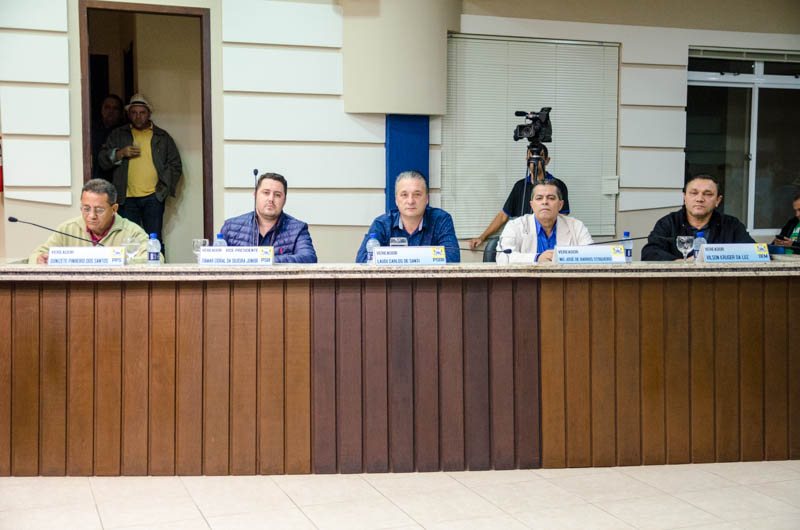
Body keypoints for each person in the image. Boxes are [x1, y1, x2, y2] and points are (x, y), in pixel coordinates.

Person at [98, 93, 182, 253]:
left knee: (154, 241)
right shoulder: (118, 134)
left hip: (153, 198)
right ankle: (132, 270)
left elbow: (175, 164)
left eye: (142, 112)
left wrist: (163, 190)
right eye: (134, 112)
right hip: (126, 198)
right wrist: (119, 154)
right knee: (128, 241)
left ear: (149, 114)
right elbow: (102, 159)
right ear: (128, 114)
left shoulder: (162, 136)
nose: (138, 116)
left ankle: (159, 269)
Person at [28, 179, 155, 264]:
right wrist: (39, 260)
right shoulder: (67, 229)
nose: (92, 216)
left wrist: (122, 261)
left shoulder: (131, 231)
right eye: (86, 209)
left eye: (99, 210)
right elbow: (36, 255)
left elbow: (155, 258)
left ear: (114, 209)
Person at [469, 144, 569, 250]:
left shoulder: (557, 186)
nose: (534, 162)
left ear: (547, 160)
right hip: (523, 240)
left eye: (539, 158)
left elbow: (562, 217)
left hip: (548, 241)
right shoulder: (520, 186)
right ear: (526, 160)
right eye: (531, 158)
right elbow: (503, 216)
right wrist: (482, 237)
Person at [641, 174, 755, 261]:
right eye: (694, 193)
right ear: (684, 197)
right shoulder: (669, 223)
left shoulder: (731, 225)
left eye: (708, 194)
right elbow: (649, 253)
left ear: (718, 200)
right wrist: (682, 263)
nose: (699, 199)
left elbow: (753, 251)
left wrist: (714, 257)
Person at [356, 170, 460, 263]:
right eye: (404, 195)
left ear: (427, 199)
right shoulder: (382, 224)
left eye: (417, 194)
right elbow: (363, 261)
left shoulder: (441, 220)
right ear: (396, 200)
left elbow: (452, 258)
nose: (410, 201)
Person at [219, 172, 317, 263]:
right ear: (255, 195)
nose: (271, 199)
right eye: (266, 193)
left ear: (284, 200)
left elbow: (309, 258)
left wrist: (266, 259)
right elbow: (217, 259)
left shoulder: (298, 229)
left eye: (277, 195)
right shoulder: (231, 227)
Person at [496, 181, 591, 264]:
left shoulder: (576, 226)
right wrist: (536, 258)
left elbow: (591, 255)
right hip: (528, 279)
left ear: (560, 205)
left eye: (551, 198)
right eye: (539, 198)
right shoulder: (514, 226)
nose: (545, 202)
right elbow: (503, 257)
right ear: (532, 205)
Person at [91, 94, 126, 181]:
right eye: (107, 107)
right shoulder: (91, 130)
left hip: (117, 181)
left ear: (121, 113)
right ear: (101, 110)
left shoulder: (125, 132)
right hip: (94, 178)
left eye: (115, 108)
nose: (111, 111)